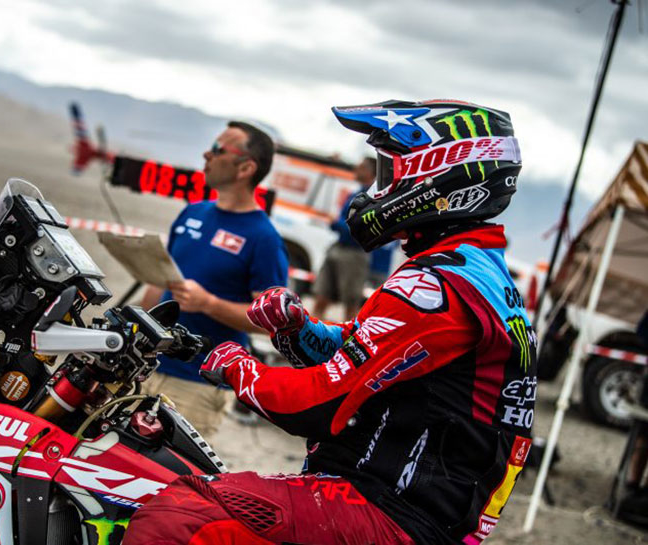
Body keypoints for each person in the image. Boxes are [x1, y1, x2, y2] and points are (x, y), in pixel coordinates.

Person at [124, 100, 536, 545]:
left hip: (390, 508)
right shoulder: (475, 272)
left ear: (438, 175)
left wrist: (234, 364)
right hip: (418, 507)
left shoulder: (435, 285)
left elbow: (319, 406)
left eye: (388, 173)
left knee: (182, 515)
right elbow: (373, 354)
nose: (376, 190)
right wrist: (298, 330)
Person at [139, 121, 288, 437]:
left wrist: (208, 303)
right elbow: (161, 282)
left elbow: (271, 323)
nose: (207, 154)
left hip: (197, 385)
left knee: (166, 469)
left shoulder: (264, 238)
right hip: (147, 367)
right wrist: (137, 331)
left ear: (246, 168)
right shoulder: (193, 212)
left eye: (219, 149)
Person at [312, 157, 378, 320]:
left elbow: (359, 228)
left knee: (350, 305)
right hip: (338, 248)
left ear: (371, 173)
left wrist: (335, 223)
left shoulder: (373, 198)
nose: (356, 169)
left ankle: (350, 336)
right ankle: (310, 332)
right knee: (321, 297)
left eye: (361, 167)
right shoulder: (356, 194)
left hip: (354, 254)